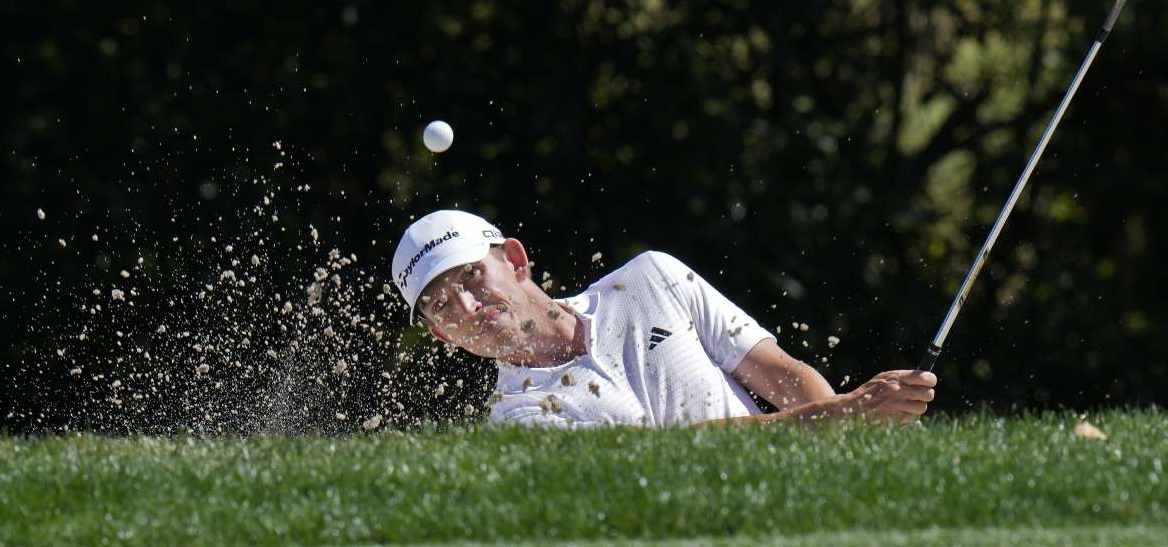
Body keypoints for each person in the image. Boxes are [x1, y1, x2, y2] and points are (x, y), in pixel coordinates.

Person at [392, 209, 937, 428]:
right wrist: (839, 416)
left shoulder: (650, 279)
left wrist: (852, 434)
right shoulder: (517, 417)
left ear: (514, 260)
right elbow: (669, 464)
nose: (466, 308)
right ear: (442, 335)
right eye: (442, 307)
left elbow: (785, 375)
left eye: (469, 278)